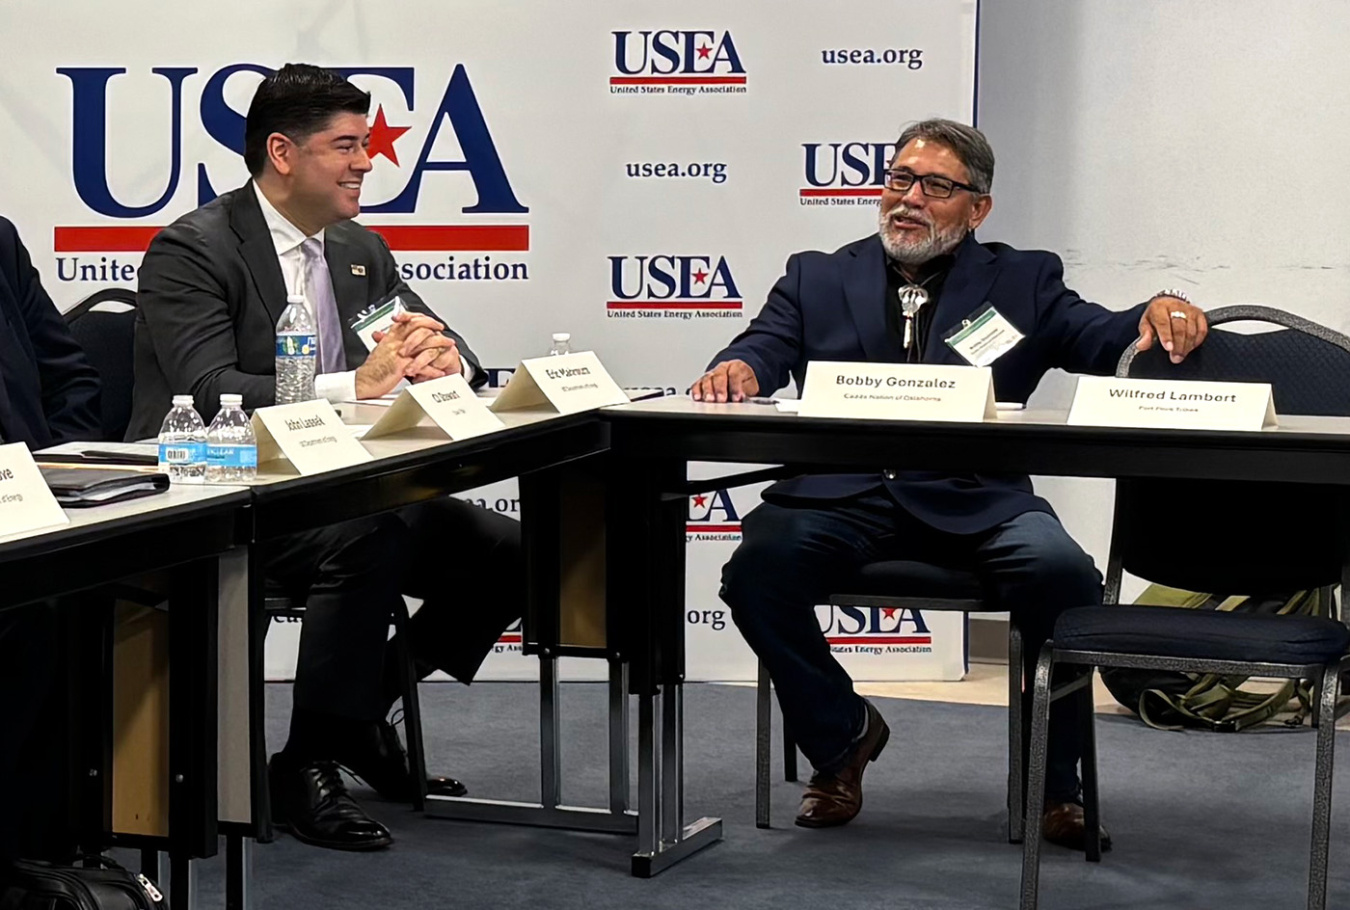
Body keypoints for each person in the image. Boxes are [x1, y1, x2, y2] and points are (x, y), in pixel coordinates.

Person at [693, 119, 1208, 849]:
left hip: (976, 496)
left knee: (1061, 572)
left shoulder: (1023, 279)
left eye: (936, 186)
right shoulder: (817, 273)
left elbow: (1098, 334)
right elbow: (764, 345)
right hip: (843, 495)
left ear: (978, 209)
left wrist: (1154, 310)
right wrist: (740, 367)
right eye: (899, 179)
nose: (909, 199)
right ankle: (842, 739)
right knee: (756, 571)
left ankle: (1053, 785)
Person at [129, 64, 521, 851]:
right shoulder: (195, 250)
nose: (366, 162)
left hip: (337, 491)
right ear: (282, 152)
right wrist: (355, 382)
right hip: (224, 494)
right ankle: (308, 762)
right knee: (370, 536)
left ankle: (348, 724)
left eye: (365, 145)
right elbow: (208, 389)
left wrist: (452, 360)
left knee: (509, 552)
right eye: (346, 146)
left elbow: (434, 335)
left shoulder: (355, 247)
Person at [0, 216, 102, 874]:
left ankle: (43, 853)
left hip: (26, 508)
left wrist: (46, 473)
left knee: (101, 599)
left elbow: (73, 378)